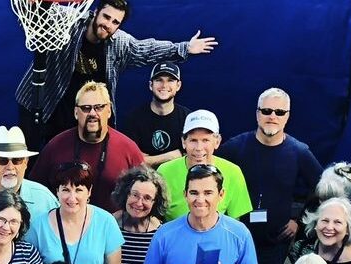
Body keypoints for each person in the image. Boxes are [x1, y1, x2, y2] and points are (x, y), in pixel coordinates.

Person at [14, 1, 217, 145]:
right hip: (43, 102)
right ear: (96, 12)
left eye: (115, 22)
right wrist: (36, 5)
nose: (108, 25)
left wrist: (184, 48)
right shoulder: (70, 25)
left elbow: (147, 49)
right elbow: (43, 15)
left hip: (82, 112)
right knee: (31, 159)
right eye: (106, 17)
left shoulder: (119, 43)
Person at [219, 88, 324, 264]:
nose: (272, 117)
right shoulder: (236, 147)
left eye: (279, 112)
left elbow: (323, 189)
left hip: (273, 244)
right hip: (235, 240)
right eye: (266, 111)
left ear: (287, 116)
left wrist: (298, 219)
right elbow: (213, 177)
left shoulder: (298, 151)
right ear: (257, 114)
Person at [139, 164, 258, 264]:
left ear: (221, 194)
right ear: (185, 195)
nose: (200, 200)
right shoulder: (165, 234)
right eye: (194, 193)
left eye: (208, 193)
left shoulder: (239, 233)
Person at [27, 160, 124, 264]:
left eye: (78, 190)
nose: (72, 198)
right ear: (57, 191)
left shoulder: (106, 222)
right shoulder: (38, 227)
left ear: (89, 191)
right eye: (65, 189)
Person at [29, 81, 145, 211]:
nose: (92, 113)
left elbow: (146, 193)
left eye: (99, 107)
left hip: (112, 228)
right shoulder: (55, 147)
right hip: (63, 227)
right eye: (85, 108)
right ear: (76, 112)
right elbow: (34, 192)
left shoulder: (128, 149)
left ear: (109, 110)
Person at [156, 110, 251, 222]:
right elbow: (155, 217)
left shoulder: (233, 172)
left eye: (205, 140)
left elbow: (236, 223)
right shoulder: (164, 171)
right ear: (183, 141)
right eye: (193, 140)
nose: (199, 147)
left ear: (217, 141)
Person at [120, 62, 190, 168]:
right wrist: (172, 156)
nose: (164, 85)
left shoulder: (188, 118)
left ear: (178, 85)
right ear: (150, 85)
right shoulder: (134, 119)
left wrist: (148, 160)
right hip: (144, 180)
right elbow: (130, 162)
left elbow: (193, 158)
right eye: (159, 80)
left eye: (170, 80)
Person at [110, 165, 168, 264]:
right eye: (135, 195)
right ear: (126, 194)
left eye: (147, 198)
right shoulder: (108, 225)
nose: (139, 203)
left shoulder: (162, 233)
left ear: (155, 202)